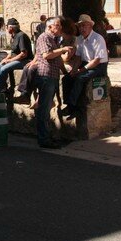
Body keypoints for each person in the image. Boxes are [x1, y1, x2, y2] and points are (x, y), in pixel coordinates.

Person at [31, 18, 70, 148]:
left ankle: (46, 137)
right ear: (50, 27)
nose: (60, 28)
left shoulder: (52, 39)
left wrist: (65, 72)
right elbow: (47, 55)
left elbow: (57, 59)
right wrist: (62, 49)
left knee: (47, 107)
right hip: (46, 76)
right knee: (44, 109)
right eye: (57, 25)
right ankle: (44, 139)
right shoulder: (43, 38)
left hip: (52, 76)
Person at [60, 14, 108, 118]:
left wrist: (81, 70)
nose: (82, 28)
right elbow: (78, 57)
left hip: (99, 66)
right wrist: (73, 70)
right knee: (67, 78)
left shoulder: (97, 38)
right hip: (86, 63)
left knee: (80, 78)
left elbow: (97, 60)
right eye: (80, 26)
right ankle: (69, 105)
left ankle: (73, 106)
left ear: (90, 26)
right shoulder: (80, 39)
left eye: (85, 25)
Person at [0, 18, 33, 96]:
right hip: (17, 60)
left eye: (7, 27)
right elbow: (12, 52)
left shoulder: (21, 36)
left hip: (25, 60)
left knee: (4, 68)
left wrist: (10, 61)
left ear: (11, 28)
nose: (6, 29)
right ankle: (2, 89)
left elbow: (23, 54)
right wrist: (6, 59)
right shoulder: (13, 37)